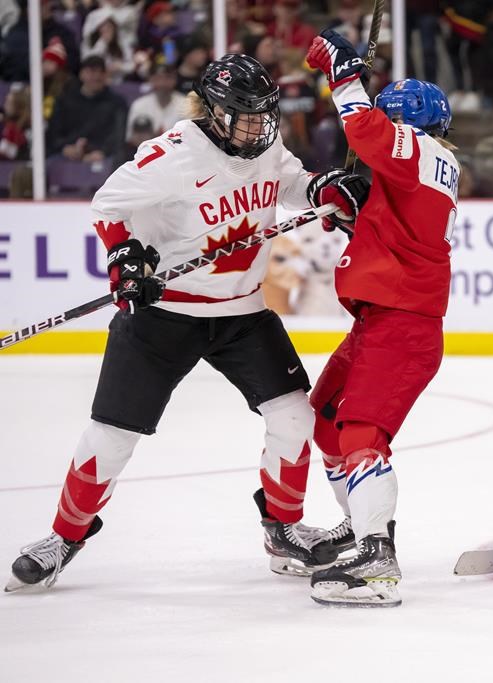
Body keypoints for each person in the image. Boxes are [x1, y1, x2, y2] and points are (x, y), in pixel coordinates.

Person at [6, 54, 362, 592]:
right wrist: (126, 259)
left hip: (242, 313)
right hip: (164, 315)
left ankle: (283, 530)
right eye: (244, 114)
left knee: (293, 417)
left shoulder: (264, 144)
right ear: (214, 111)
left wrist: (326, 189)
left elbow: (292, 183)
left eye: (264, 113)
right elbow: (108, 205)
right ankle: (64, 536)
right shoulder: (172, 155)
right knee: (112, 436)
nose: (257, 125)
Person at [303, 29, 459, 608]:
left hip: (403, 324)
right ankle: (364, 524)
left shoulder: (419, 151)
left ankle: (376, 561)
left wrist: (344, 76)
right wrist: (352, 209)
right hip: (381, 321)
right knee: (324, 417)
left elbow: (366, 130)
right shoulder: (419, 168)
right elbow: (390, 222)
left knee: (364, 435)